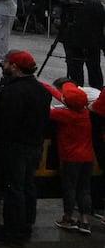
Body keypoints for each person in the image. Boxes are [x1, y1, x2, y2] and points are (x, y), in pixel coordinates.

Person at [0, 50, 51, 247]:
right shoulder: (42, 90)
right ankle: (25, 225)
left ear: (14, 67)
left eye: (7, 64)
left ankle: (13, 232)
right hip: (34, 146)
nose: (4, 67)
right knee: (27, 186)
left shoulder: (12, 92)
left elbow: (4, 122)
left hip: (13, 149)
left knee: (13, 190)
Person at [45, 80, 94, 234]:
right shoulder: (85, 112)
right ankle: (85, 221)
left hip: (70, 158)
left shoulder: (63, 115)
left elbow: (45, 110)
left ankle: (68, 218)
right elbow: (62, 96)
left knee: (69, 188)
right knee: (84, 189)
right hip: (87, 157)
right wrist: (44, 85)